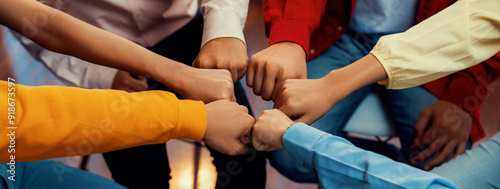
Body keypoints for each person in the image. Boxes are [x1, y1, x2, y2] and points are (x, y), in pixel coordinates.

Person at [0, 0, 254, 188]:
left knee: (246, 160)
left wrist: (224, 30)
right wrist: (104, 75)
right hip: (100, 57)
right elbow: (40, 26)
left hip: (188, 32)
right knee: (143, 175)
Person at [251, 0, 500, 187]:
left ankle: (374, 168)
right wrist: (289, 38)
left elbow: (483, 21)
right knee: (287, 152)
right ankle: (388, 168)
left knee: (440, 157)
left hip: (430, 39)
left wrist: (463, 96)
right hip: (343, 34)